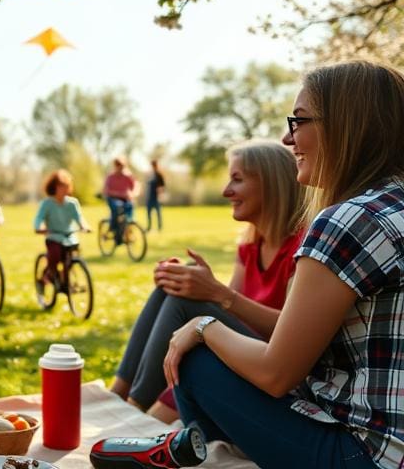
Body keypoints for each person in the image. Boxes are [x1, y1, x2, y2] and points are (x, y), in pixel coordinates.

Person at [164, 60, 404, 469]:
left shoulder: (350, 220)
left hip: (367, 455)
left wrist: (204, 327)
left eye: (299, 121)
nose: (286, 138)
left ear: (347, 126)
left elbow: (277, 373)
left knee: (194, 361)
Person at [111, 140, 304, 423]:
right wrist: (192, 282)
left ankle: (134, 408)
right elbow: (228, 310)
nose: (226, 191)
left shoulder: (301, 247)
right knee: (178, 284)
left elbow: (294, 332)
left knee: (184, 297)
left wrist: (215, 292)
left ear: (272, 185)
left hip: (270, 365)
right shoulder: (251, 246)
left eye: (237, 180)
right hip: (240, 350)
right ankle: (119, 394)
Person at [33, 168, 91, 282]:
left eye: (66, 186)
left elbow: (79, 217)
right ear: (54, 187)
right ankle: (48, 275)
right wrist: (38, 227)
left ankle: (65, 280)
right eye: (61, 186)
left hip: (69, 236)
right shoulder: (47, 203)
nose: (64, 189)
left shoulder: (72, 203)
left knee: (72, 258)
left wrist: (84, 226)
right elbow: (39, 218)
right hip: (53, 236)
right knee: (55, 255)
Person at [103, 156, 137, 243]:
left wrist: (132, 194)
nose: (120, 168)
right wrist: (119, 194)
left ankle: (128, 228)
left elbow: (135, 186)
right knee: (117, 207)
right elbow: (106, 190)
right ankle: (112, 229)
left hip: (124, 199)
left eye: (122, 166)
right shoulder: (110, 177)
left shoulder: (127, 176)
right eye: (118, 166)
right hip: (112, 198)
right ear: (115, 166)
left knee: (130, 205)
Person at [145, 158, 166, 231]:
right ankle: (149, 227)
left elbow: (163, 185)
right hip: (149, 197)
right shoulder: (150, 174)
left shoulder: (159, 174)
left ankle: (160, 227)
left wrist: (160, 191)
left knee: (158, 213)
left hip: (156, 197)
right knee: (148, 213)